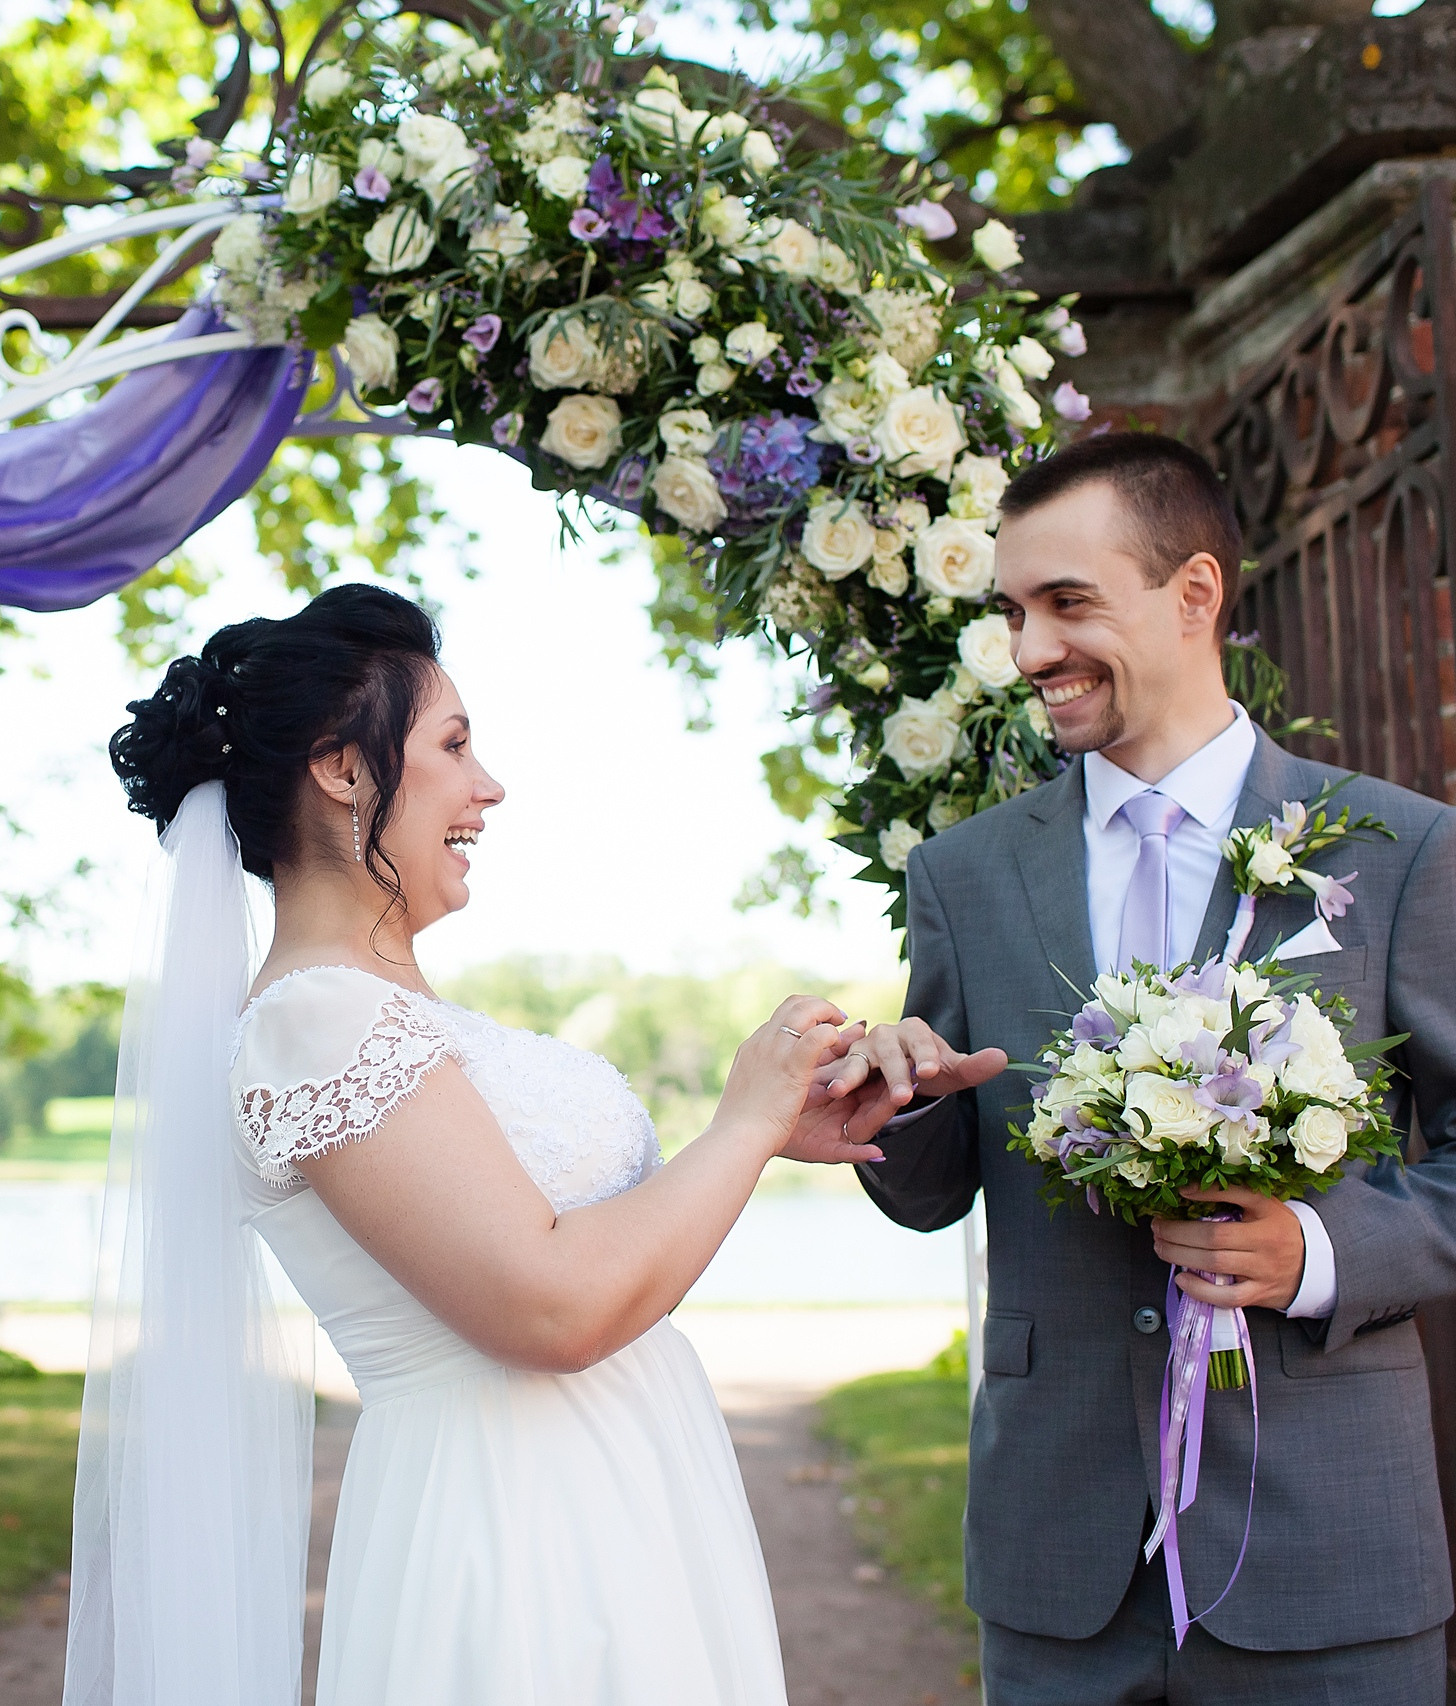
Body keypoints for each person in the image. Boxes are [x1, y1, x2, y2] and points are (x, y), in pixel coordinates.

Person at [831, 432, 1456, 1703]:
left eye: (1067, 602)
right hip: (1060, 1559)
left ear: (1193, 594)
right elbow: (934, 1184)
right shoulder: (963, 874)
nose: (1029, 649)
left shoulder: (1396, 849)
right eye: (1012, 611)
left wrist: (1317, 1252)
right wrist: (890, 1104)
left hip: (1323, 1548)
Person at [62, 583, 891, 1706]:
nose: (489, 787)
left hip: (622, 1499)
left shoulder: (391, 1016)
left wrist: (769, 1129)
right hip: (519, 1533)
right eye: (453, 745)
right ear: (342, 769)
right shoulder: (316, 1022)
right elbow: (551, 1309)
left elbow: (582, 1244)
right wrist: (741, 1120)